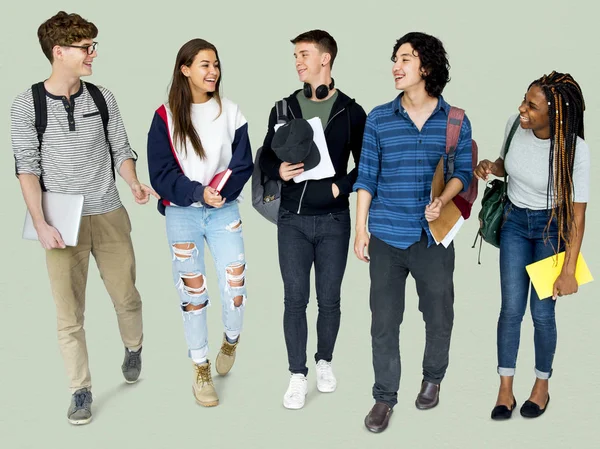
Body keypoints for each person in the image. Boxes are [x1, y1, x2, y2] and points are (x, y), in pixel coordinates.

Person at [10, 11, 157, 425]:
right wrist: (40, 223)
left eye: (93, 45)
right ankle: (80, 390)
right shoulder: (27, 104)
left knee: (126, 296)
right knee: (69, 314)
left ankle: (133, 346)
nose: (94, 53)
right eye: (86, 47)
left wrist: (132, 182)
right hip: (61, 222)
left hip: (108, 212)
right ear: (60, 53)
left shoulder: (102, 97)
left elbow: (120, 148)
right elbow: (27, 168)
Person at [353, 32, 473, 433]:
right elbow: (366, 177)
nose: (396, 66)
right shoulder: (379, 118)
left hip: (433, 238)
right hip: (387, 234)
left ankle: (433, 377)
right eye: (394, 59)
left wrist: (445, 199)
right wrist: (360, 229)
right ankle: (384, 398)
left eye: (405, 59)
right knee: (384, 321)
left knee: (438, 315)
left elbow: (462, 173)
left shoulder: (455, 119)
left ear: (427, 67)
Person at [258, 29, 367, 409]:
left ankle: (324, 362)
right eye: (295, 56)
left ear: (326, 59)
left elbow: (367, 166)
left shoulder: (351, 112)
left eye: (304, 54)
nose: (298, 62)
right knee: (294, 300)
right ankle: (297, 374)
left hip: (335, 221)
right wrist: (279, 171)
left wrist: (342, 186)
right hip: (292, 219)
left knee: (330, 300)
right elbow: (266, 156)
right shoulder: (283, 108)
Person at [474, 71, 589, 420]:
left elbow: (578, 218)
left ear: (554, 115)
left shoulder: (574, 150)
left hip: (549, 230)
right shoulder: (515, 125)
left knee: (541, 313)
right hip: (513, 224)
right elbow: (508, 167)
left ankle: (541, 385)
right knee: (510, 310)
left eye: (531, 105)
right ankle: (505, 388)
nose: (522, 108)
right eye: (524, 99)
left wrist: (569, 270)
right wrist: (491, 167)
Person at [147, 38, 253, 407]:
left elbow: (243, 164)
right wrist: (196, 192)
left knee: (234, 287)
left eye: (216, 65)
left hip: (224, 210)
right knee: (193, 296)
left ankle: (231, 339)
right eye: (205, 65)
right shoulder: (166, 117)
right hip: (182, 214)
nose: (213, 72)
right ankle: (200, 366)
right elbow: (160, 173)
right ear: (185, 69)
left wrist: (216, 192)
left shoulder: (232, 113)